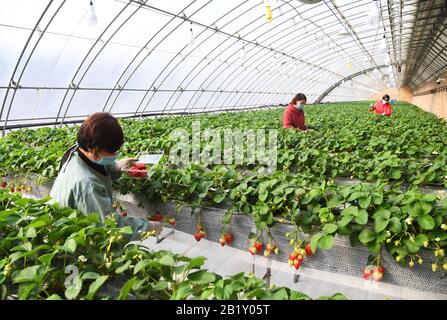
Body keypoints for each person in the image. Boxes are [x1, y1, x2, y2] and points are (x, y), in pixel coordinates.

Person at [49, 112, 161, 240]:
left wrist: (117, 166)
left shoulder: (77, 151)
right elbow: (109, 226)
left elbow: (96, 167)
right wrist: (147, 227)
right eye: (111, 152)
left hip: (65, 221)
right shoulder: (88, 184)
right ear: (93, 150)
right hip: (69, 240)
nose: (114, 155)